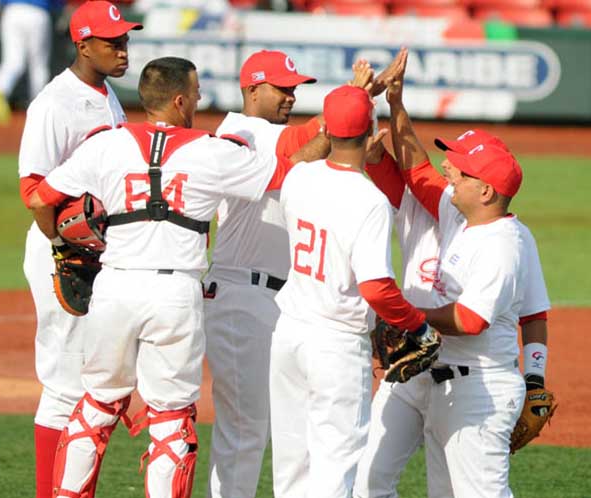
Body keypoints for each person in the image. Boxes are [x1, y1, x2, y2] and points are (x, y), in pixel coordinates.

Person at [27, 55, 297, 498]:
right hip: (174, 293)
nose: (199, 99)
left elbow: (41, 197)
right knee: (171, 419)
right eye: (195, 92)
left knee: (96, 404)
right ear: (179, 99)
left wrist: (62, 244)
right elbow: (284, 170)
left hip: (114, 287)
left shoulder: (106, 143)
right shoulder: (210, 150)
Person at [354, 48, 550, 498]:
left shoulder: (504, 246)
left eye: (459, 169)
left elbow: (472, 320)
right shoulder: (460, 212)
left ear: (484, 189)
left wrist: (403, 314)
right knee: (365, 483)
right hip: (424, 370)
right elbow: (416, 167)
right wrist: (396, 104)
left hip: (476, 388)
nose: (448, 171)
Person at [269, 84, 435, 498]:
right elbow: (377, 288)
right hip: (336, 344)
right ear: (372, 133)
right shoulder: (369, 199)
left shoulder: (299, 176)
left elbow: (295, 158)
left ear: (326, 127)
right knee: (335, 467)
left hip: (288, 334)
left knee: (291, 466)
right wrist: (418, 327)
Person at [16, 2, 142, 497]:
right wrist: (62, 247)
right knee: (66, 383)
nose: (123, 49)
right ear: (82, 44)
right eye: (113, 42)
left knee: (92, 379)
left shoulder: (106, 93)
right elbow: (32, 189)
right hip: (63, 255)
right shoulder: (54, 103)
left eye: (125, 40)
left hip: (95, 253)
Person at [202, 49, 326, 498]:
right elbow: (306, 143)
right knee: (245, 427)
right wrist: (354, 100)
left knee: (290, 421)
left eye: (295, 88)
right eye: (283, 87)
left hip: (280, 299)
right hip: (240, 294)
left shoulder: (271, 134)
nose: (292, 96)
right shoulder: (238, 133)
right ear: (253, 88)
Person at [0, 0, 65, 126]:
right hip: (38, 12)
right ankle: (39, 106)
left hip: (12, 11)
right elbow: (59, 4)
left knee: (13, 61)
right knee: (38, 65)